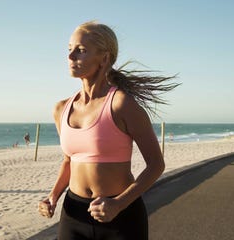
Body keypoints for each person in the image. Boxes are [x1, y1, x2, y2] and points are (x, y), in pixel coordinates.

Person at [38, 21, 179, 240]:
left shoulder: (122, 104)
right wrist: (53, 196)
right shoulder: (61, 109)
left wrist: (118, 204)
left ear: (104, 58)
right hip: (73, 213)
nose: (70, 56)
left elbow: (156, 165)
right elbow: (69, 161)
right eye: (69, 49)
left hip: (120, 218)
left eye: (81, 50)